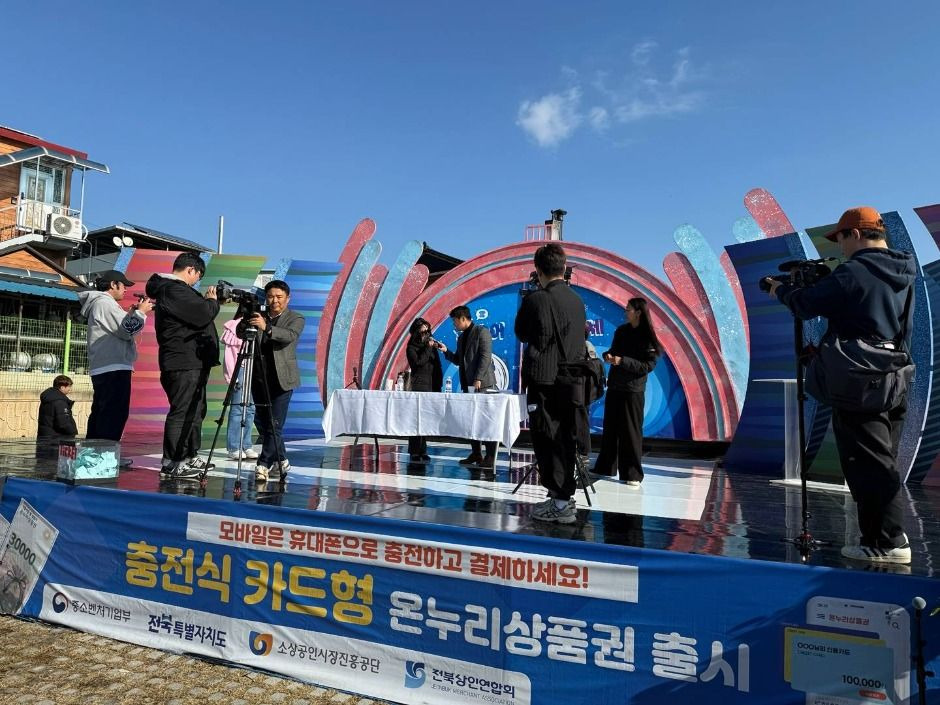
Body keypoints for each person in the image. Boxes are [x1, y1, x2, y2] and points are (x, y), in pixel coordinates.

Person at [766, 206, 916, 564]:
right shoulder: (904, 270)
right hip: (894, 375)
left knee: (866, 464)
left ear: (856, 234)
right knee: (882, 460)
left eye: (841, 240)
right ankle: (885, 533)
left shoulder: (855, 271)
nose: (840, 248)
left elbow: (806, 305)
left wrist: (781, 290)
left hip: (859, 380)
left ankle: (887, 542)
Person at [515, 243, 587, 523]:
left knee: (547, 438)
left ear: (538, 269)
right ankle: (562, 497)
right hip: (571, 380)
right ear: (563, 267)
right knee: (565, 438)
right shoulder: (576, 300)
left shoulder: (536, 300)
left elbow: (522, 333)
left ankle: (560, 503)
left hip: (544, 380)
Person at [145, 253, 221, 480]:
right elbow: (202, 314)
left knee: (195, 410)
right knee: (183, 411)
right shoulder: (172, 289)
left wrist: (207, 303)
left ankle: (189, 455)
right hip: (183, 362)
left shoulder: (175, 291)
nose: (197, 281)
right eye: (198, 276)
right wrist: (211, 301)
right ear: (191, 270)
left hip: (193, 361)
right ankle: (172, 462)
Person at [77, 270, 153, 462]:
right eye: (123, 285)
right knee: (114, 414)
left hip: (104, 366)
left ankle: (93, 455)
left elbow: (118, 327)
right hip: (114, 366)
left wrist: (132, 313)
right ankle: (106, 456)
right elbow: (126, 330)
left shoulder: (100, 304)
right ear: (113, 284)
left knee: (102, 413)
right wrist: (141, 313)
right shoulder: (105, 303)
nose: (125, 289)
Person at [238, 280, 305, 483]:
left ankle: (263, 464)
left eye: (279, 297)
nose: (274, 300)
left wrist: (266, 327)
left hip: (282, 379)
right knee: (264, 423)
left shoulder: (295, 317)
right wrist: (245, 316)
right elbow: (241, 334)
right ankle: (281, 459)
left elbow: (289, 336)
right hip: (259, 378)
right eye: (270, 296)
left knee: (275, 423)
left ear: (287, 298)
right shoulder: (260, 314)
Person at [590, 298, 661, 486]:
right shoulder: (621, 331)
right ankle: (605, 466)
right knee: (610, 429)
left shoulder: (647, 336)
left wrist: (622, 361)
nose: (625, 312)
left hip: (633, 390)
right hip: (615, 386)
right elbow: (613, 351)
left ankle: (632, 473)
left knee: (631, 431)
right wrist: (608, 356)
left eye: (628, 309)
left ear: (638, 312)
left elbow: (647, 366)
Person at [439, 305, 498, 468]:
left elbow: (485, 357)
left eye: (455, 321)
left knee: (486, 420)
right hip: (468, 386)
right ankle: (476, 453)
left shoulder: (481, 332)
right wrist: (446, 351)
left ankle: (490, 456)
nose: (454, 325)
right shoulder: (461, 338)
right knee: (472, 420)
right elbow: (459, 360)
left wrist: (478, 378)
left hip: (483, 385)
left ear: (463, 318)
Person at [405, 317, 443, 462]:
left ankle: (423, 450)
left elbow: (437, 366)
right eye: (423, 332)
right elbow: (418, 363)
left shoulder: (430, 347)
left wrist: (438, 384)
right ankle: (414, 451)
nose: (426, 335)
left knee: (426, 419)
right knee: (416, 419)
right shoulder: (411, 348)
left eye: (428, 331)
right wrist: (428, 347)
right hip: (419, 385)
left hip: (432, 385)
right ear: (416, 333)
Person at [221, 316, 257, 461]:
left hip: (254, 370)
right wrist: (233, 377)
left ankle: (246, 445)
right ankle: (234, 447)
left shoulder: (260, 323)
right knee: (237, 409)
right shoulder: (237, 326)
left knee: (251, 408)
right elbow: (229, 356)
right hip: (240, 369)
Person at [36, 375, 77, 469]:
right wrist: (73, 433)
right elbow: (63, 423)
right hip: (56, 440)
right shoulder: (59, 401)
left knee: (44, 465)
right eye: (69, 386)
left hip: (45, 437)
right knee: (56, 467)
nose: (70, 389)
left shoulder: (48, 398)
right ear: (62, 387)